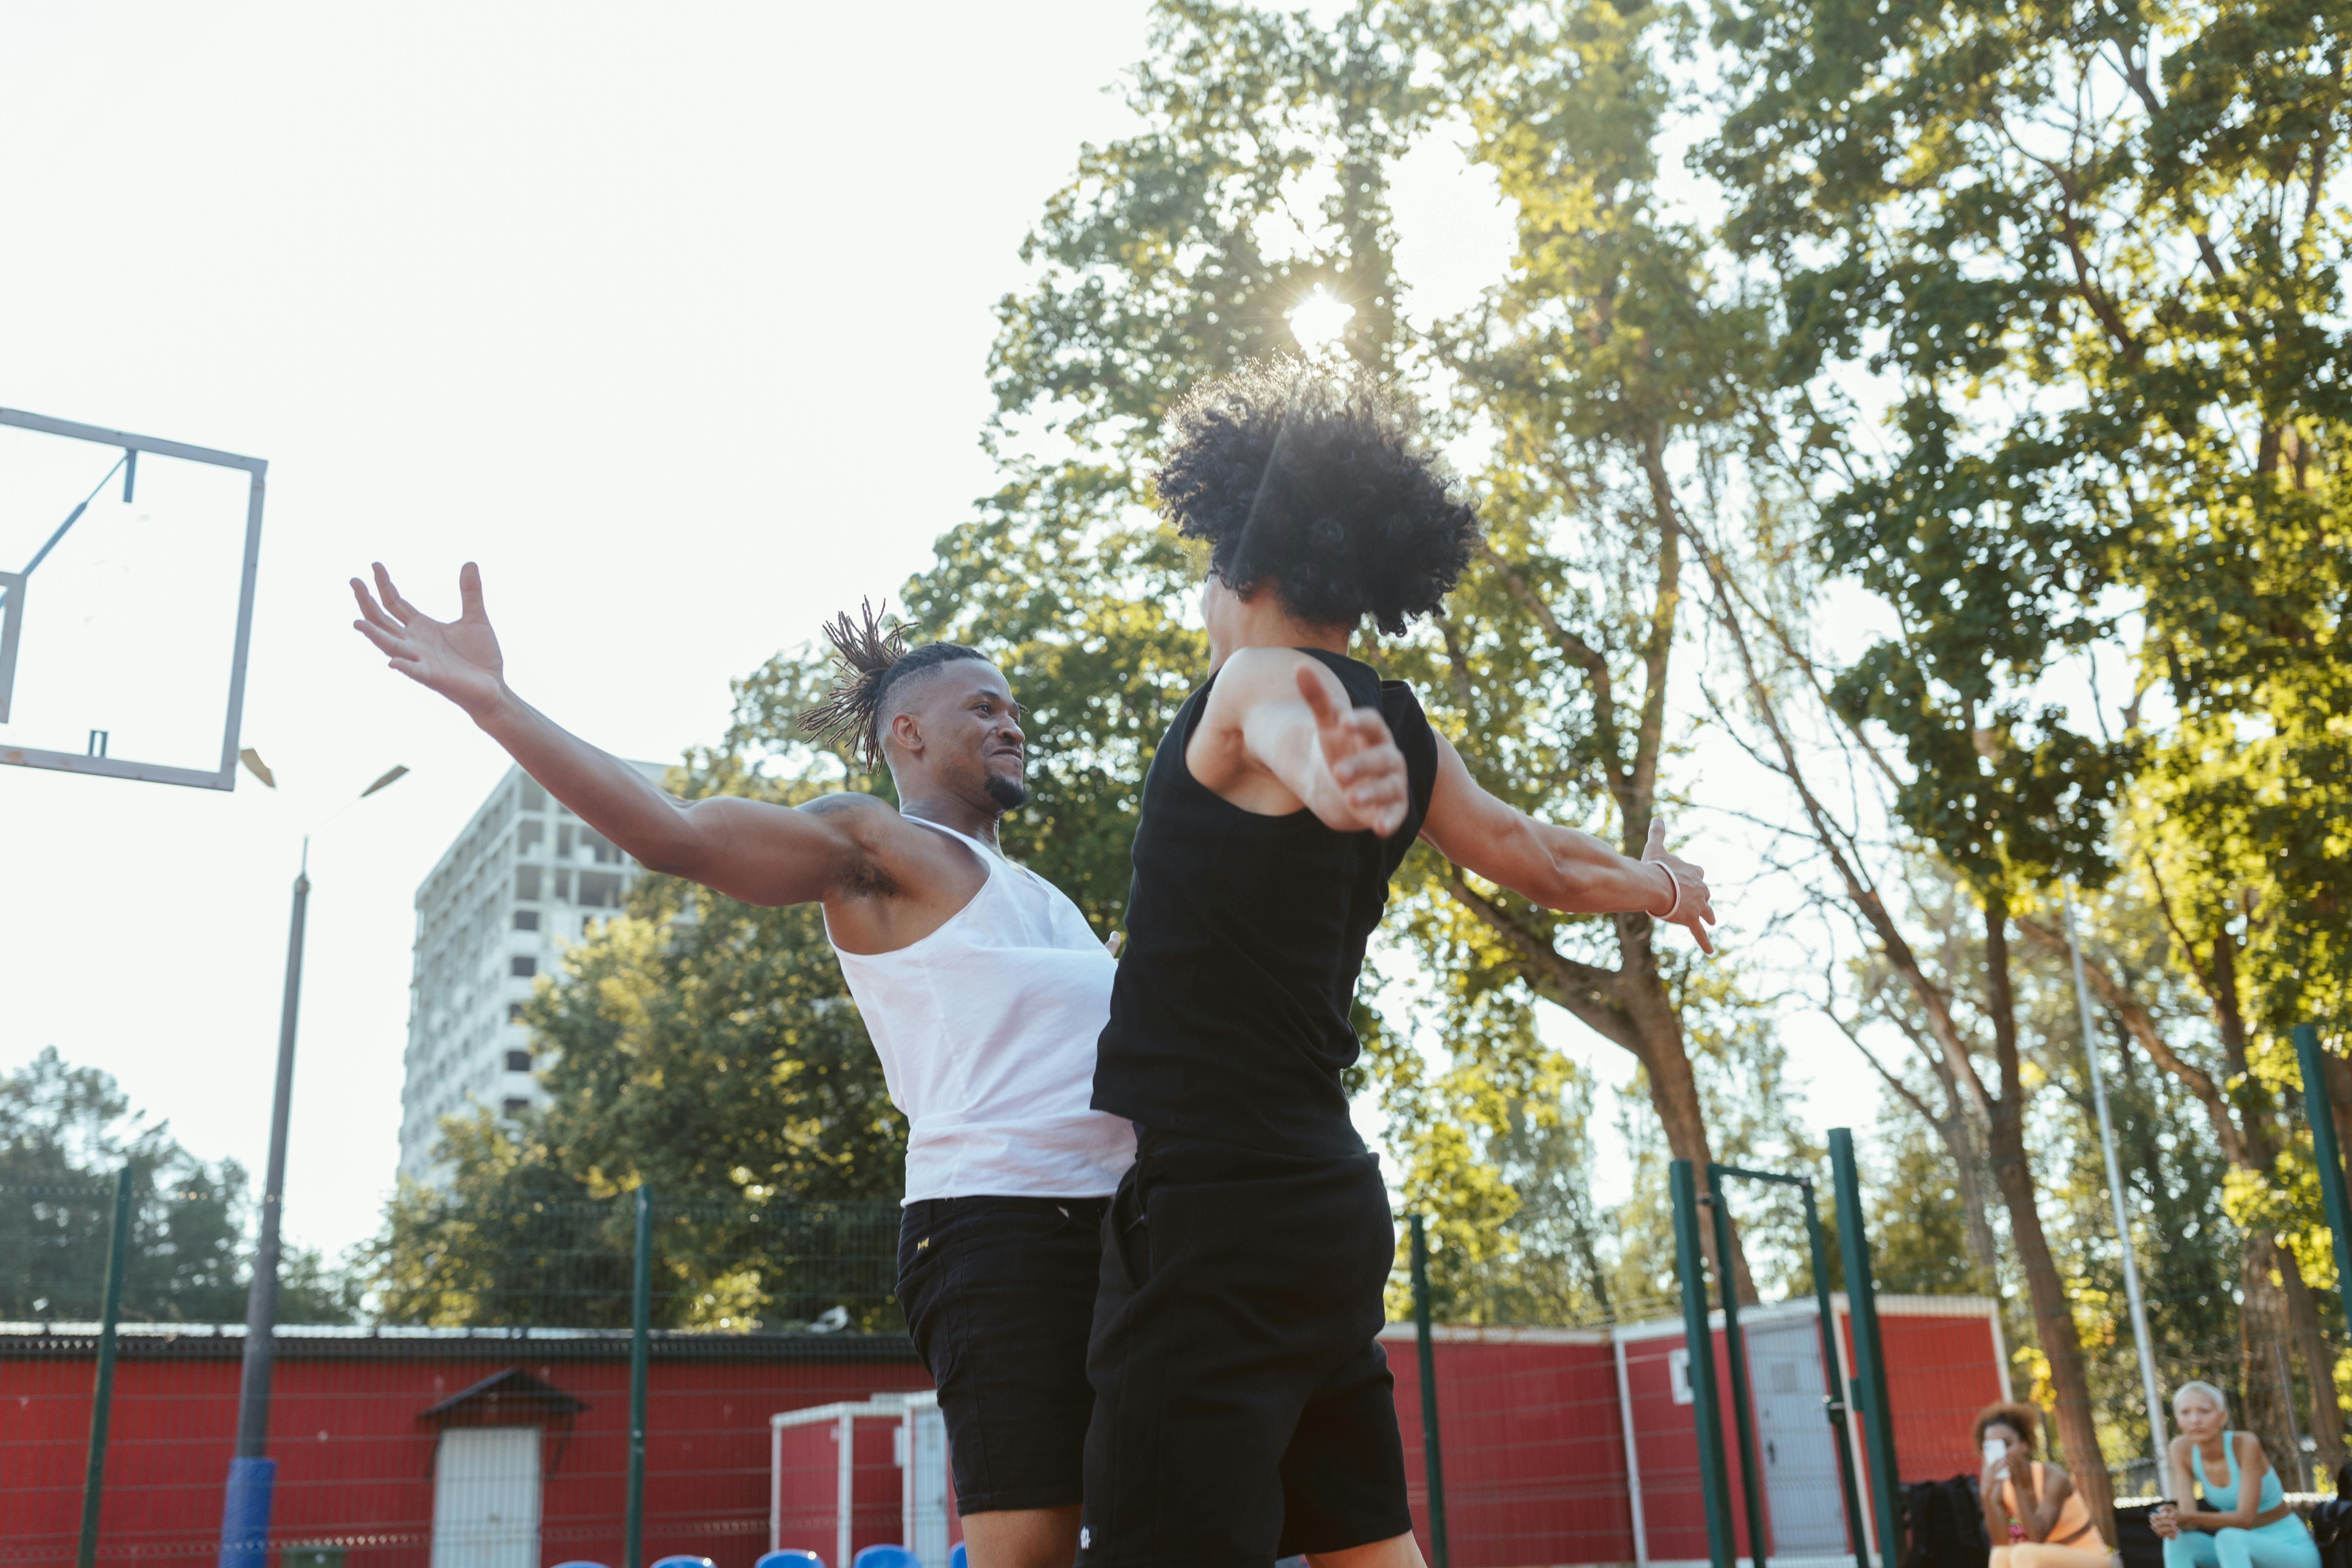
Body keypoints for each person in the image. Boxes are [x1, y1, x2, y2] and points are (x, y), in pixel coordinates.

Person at [1076, 357, 1718, 1568]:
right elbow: (1540, 859)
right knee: (1366, 1543)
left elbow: (1293, 731)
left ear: (1246, 561)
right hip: (1325, 1207)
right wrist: (1664, 886)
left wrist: (1333, 773)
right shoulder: (1404, 725)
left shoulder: (1262, 685)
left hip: (1217, 1208)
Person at [350, 570, 1128, 1568]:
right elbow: (675, 833)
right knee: (1033, 1554)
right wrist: (497, 704)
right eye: (984, 707)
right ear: (910, 736)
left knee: (1174, 1515)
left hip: (1125, 1233)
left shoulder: (1051, 903)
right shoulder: (873, 845)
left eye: (1015, 709)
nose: (1012, 723)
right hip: (1001, 1228)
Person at [2153, 1381, 2320, 1568]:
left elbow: (2244, 1520)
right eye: (2185, 1413)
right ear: (2177, 1420)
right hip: (2237, 1552)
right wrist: (2169, 1520)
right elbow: (2189, 1522)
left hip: (2288, 1551)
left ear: (2223, 1417)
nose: (2195, 1420)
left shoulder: (2245, 1444)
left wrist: (2185, 1517)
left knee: (2228, 1537)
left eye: (2204, 1411)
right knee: (2177, 1541)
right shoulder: (2181, 1449)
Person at [1974, 1401, 2116, 1568]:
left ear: (2024, 1444)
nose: (2003, 1454)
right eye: (1993, 1448)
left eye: (2007, 1445)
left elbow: (2037, 1537)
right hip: (2044, 1559)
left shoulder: (2053, 1477)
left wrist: (2017, 1485)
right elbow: (2001, 1542)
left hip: (2088, 1558)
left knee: (2024, 1553)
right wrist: (1986, 1495)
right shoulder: (2000, 1488)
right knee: (2000, 1555)